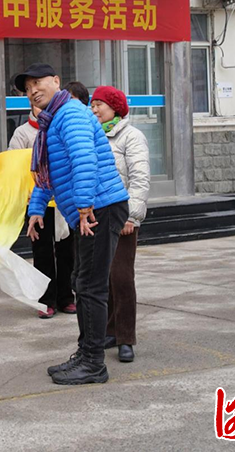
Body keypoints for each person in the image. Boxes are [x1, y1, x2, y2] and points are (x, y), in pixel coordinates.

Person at [19, 63, 129, 385]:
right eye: (27, 88)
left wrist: (83, 205)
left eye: (38, 83)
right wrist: (36, 209)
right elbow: (50, 171)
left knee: (90, 286)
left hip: (98, 207)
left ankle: (93, 363)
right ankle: (86, 353)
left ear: (56, 81)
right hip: (91, 208)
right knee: (82, 282)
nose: (33, 91)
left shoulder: (70, 114)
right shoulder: (53, 120)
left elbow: (84, 159)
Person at [90, 87, 150, 363]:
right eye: (92, 105)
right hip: (97, 216)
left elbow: (139, 178)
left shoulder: (131, 136)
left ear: (115, 107)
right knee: (103, 277)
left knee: (122, 277)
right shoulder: (93, 135)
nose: (94, 109)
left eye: (99, 104)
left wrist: (131, 217)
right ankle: (110, 331)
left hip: (121, 216)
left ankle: (126, 338)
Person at [8, 92, 75, 319]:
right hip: (37, 202)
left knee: (67, 251)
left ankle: (67, 297)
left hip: (63, 200)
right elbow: (13, 164)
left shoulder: (60, 128)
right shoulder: (23, 133)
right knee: (42, 252)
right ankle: (46, 300)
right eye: (37, 106)